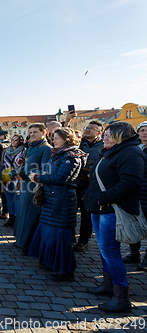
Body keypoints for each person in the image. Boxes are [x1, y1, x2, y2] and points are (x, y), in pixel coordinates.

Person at [84, 121, 145, 313]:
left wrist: (103, 198)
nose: (104, 137)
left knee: (111, 251)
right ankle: (107, 285)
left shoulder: (131, 152)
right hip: (100, 208)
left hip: (112, 209)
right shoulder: (110, 151)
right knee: (104, 250)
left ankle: (122, 298)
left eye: (109, 134)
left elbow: (131, 182)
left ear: (121, 136)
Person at [27, 128, 87, 281]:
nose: (53, 141)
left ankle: (66, 271)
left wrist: (38, 178)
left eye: (56, 138)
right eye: (53, 138)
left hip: (62, 201)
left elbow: (61, 178)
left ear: (66, 139)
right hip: (52, 198)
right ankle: (50, 262)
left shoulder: (71, 156)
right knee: (49, 233)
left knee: (59, 236)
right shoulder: (60, 154)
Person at [12, 123, 52, 254]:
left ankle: (28, 245)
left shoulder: (46, 148)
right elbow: (25, 165)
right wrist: (17, 172)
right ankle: (21, 241)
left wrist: (26, 173)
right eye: (31, 132)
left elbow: (45, 169)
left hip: (34, 187)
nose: (32, 134)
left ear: (44, 132)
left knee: (31, 217)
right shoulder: (31, 147)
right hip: (25, 185)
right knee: (23, 214)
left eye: (35, 132)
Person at [73, 121, 104, 252]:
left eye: (92, 128)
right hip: (76, 183)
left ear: (99, 133)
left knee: (86, 215)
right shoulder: (79, 143)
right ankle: (70, 236)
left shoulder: (103, 146)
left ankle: (83, 240)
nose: (88, 130)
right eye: (86, 127)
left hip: (91, 185)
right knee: (71, 211)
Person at [123, 121, 147, 270]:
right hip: (135, 193)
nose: (145, 133)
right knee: (134, 225)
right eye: (142, 130)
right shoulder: (134, 148)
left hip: (145, 191)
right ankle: (134, 254)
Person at [1, 134, 26, 228]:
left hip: (18, 178)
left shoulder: (24, 151)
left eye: (16, 140)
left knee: (17, 200)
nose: (13, 142)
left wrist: (21, 173)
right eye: (12, 140)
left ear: (20, 141)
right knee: (9, 199)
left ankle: (17, 219)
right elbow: (2, 162)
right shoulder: (6, 151)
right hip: (7, 178)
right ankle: (11, 217)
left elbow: (24, 164)